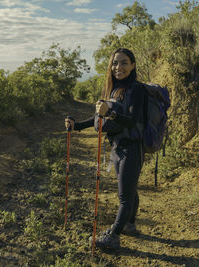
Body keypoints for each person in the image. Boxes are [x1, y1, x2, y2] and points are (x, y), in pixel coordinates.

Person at [65, 48, 145, 250]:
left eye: (124, 62)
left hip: (132, 147)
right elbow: (99, 118)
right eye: (115, 63)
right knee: (130, 188)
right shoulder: (113, 89)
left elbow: (132, 120)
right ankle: (130, 225)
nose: (119, 67)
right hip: (117, 147)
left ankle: (113, 236)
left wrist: (112, 113)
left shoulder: (137, 89)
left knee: (124, 196)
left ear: (133, 65)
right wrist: (78, 126)